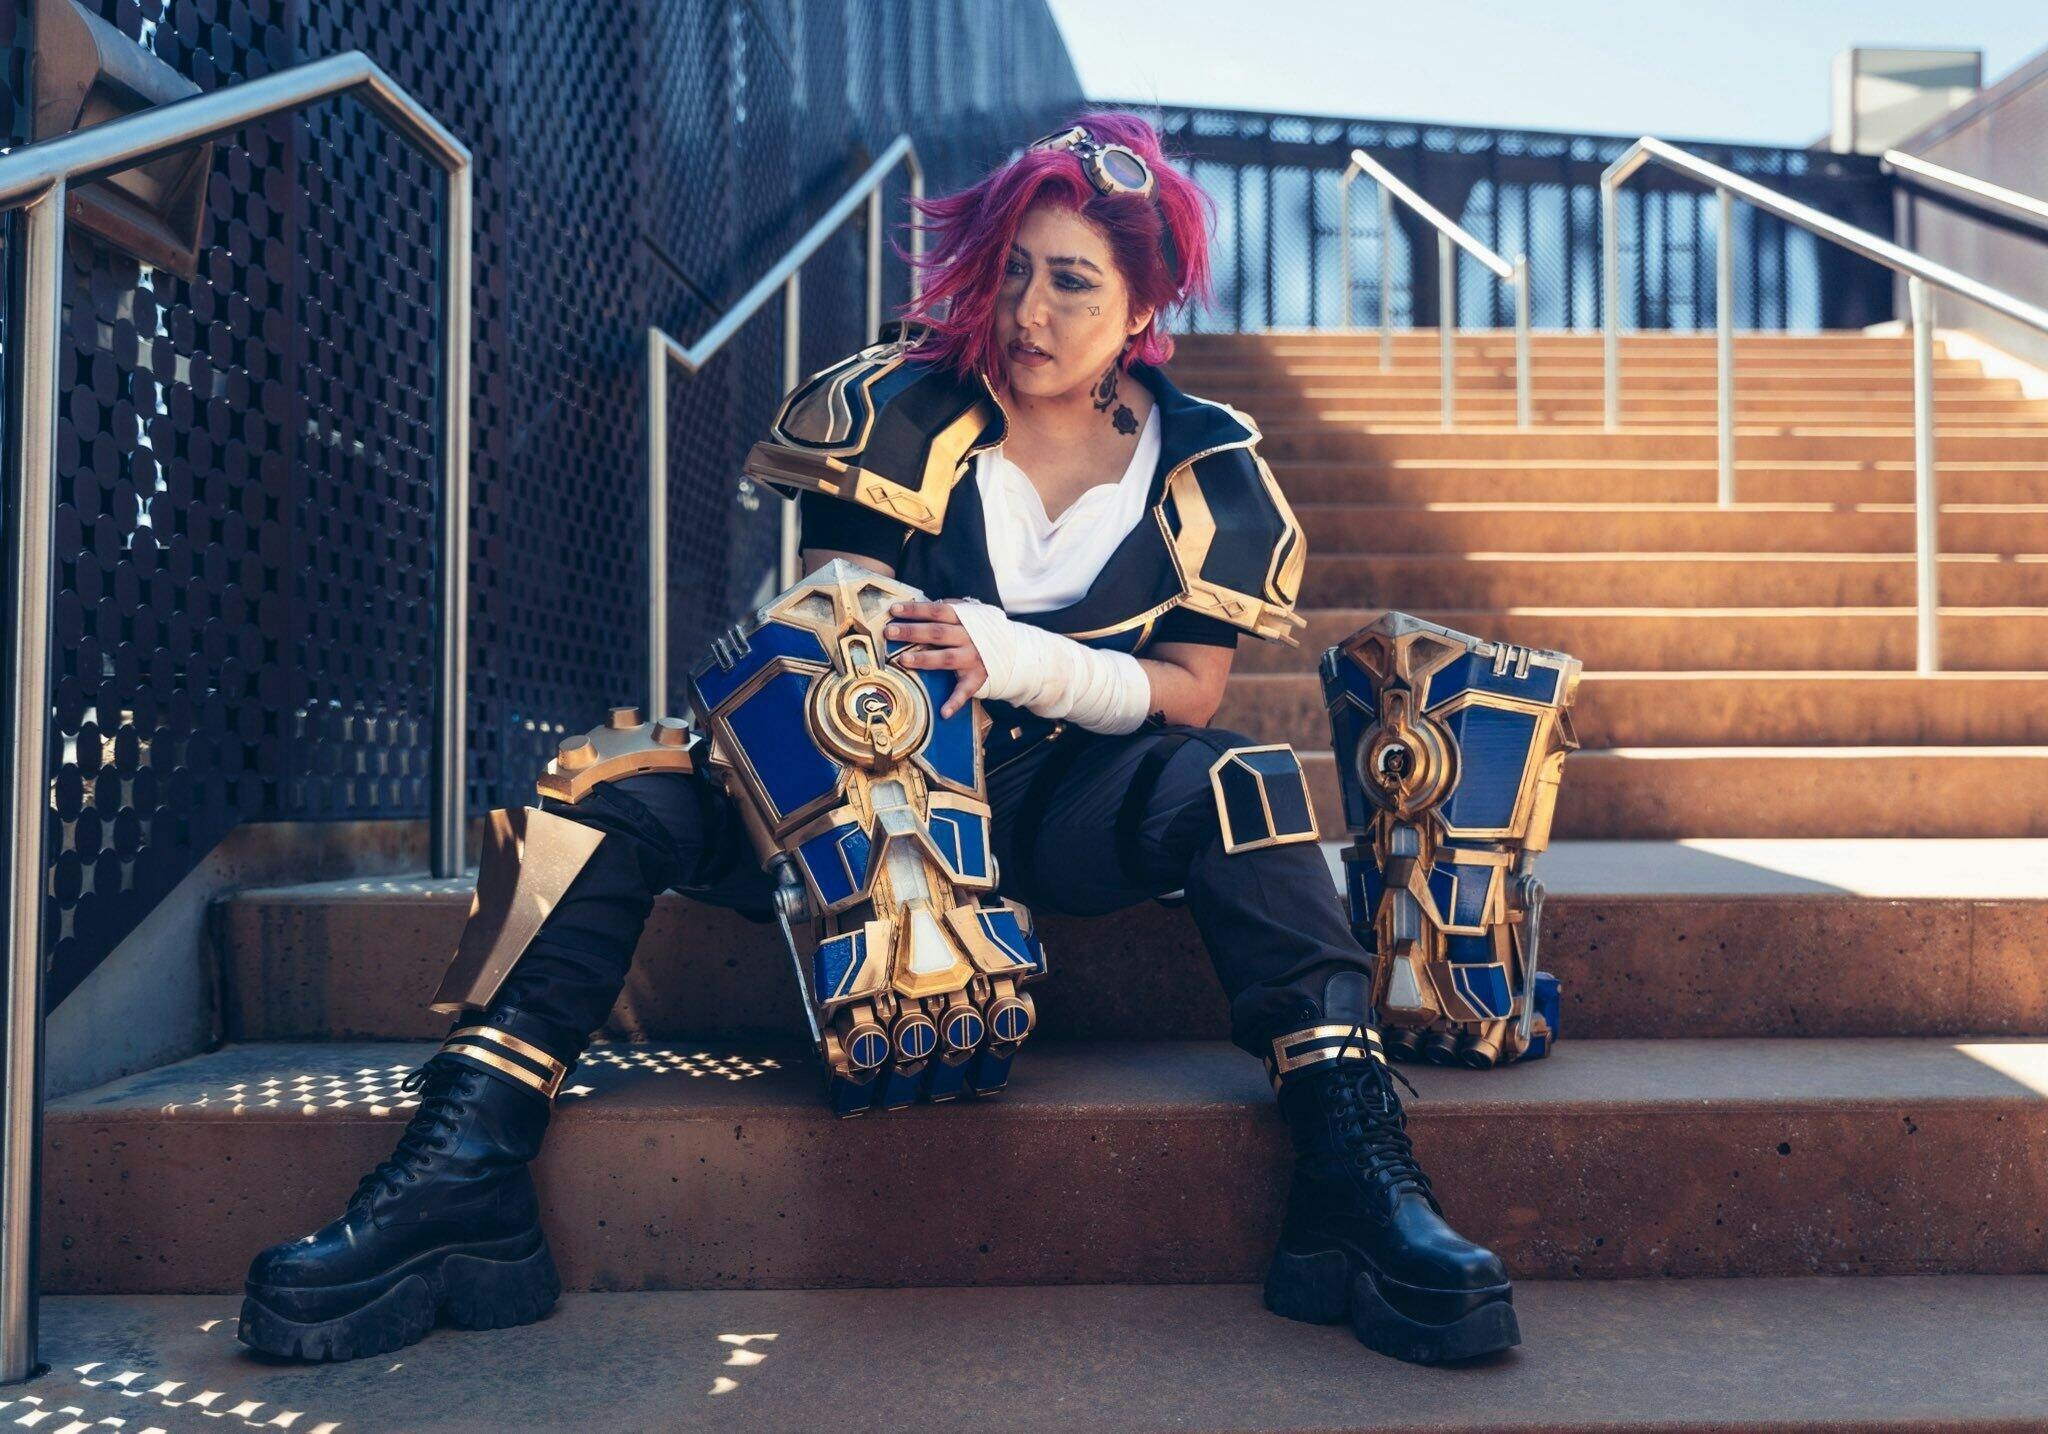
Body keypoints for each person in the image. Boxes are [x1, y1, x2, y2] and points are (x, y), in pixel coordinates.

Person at [237, 113, 1518, 1368]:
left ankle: (1351, 1170)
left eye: (1072, 282)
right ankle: (462, 1165)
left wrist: (1016, 658)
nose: (1027, 310)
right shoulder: (899, 405)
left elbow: (1189, 690)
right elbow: (834, 634)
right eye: (1012, 269)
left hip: (1067, 800)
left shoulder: (1208, 466)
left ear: (1143, 305)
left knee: (1241, 781)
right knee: (603, 787)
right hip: (853, 786)